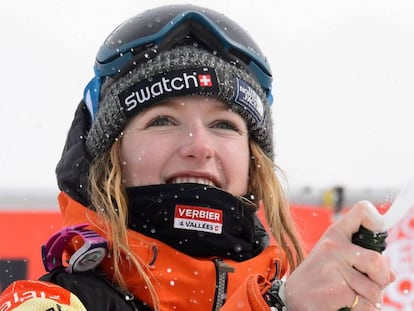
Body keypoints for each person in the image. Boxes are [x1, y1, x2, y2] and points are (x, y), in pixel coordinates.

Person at [0, 4, 394, 310]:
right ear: (110, 159)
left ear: (254, 168)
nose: (199, 145)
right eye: (163, 120)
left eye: (224, 125)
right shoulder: (50, 302)